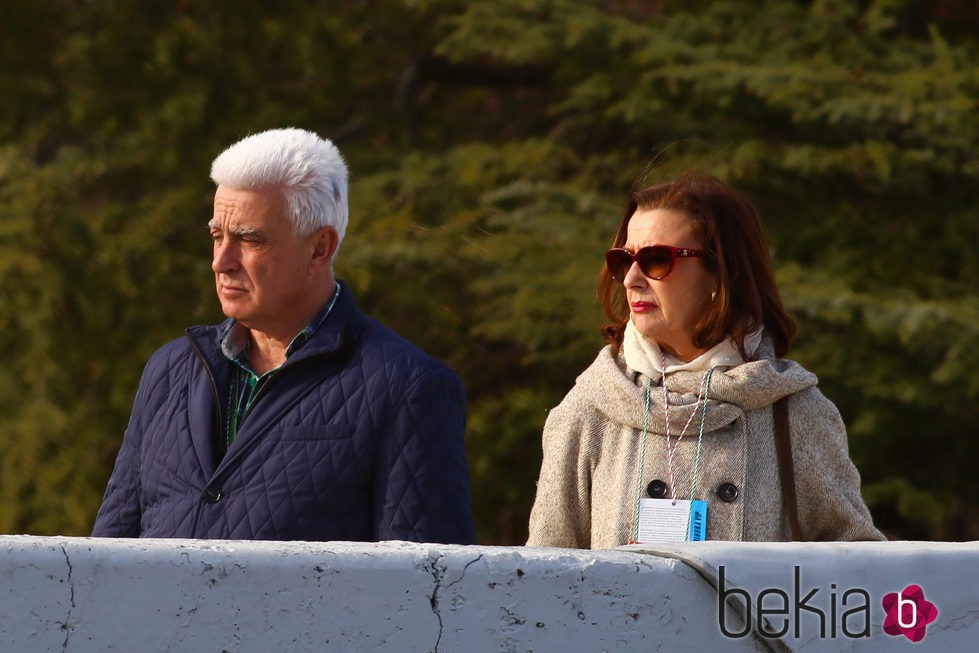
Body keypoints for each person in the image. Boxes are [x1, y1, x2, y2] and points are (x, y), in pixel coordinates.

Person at [93, 128, 475, 544]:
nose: (222, 262)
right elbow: (108, 558)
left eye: (249, 239)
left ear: (319, 249)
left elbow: (426, 591)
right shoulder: (168, 371)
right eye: (217, 236)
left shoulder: (408, 387)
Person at [527, 173, 883, 548]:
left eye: (655, 259)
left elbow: (855, 569)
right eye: (623, 259)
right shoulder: (589, 409)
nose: (631, 278)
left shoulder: (796, 412)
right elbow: (546, 579)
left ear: (721, 270)